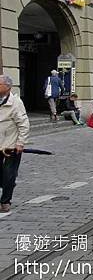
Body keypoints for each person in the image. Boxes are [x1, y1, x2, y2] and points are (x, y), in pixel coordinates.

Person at [0, 75, 30, 213]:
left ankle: (5, 201)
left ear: (7, 87)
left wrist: (20, 143)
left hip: (10, 145)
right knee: (4, 176)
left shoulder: (16, 103)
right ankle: (8, 184)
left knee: (9, 173)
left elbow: (23, 124)